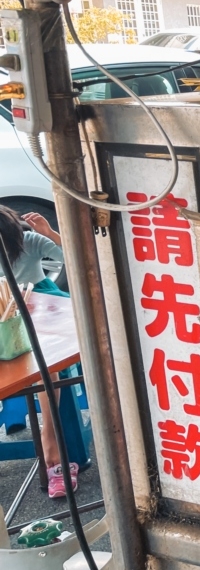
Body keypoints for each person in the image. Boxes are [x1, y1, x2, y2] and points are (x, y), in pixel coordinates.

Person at [0, 205, 76, 499]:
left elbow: (74, 258)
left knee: (47, 368)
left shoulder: (28, 241)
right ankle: (25, 420)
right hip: (7, 317)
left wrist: (51, 234)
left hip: (44, 308)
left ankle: (51, 446)